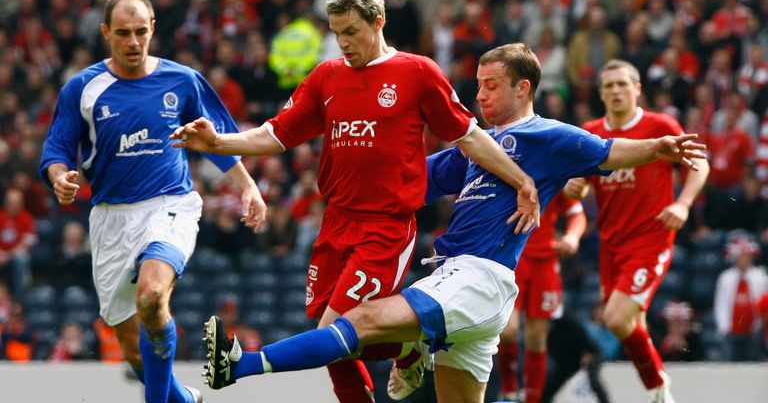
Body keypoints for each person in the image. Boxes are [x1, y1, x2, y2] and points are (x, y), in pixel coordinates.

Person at [188, 43, 706, 403]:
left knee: (360, 322)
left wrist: (656, 148)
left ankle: (240, 363)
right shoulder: (472, 149)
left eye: (491, 86)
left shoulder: (547, 136)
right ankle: (416, 350)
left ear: (523, 88)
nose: (479, 95)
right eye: (477, 85)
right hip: (462, 285)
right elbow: (409, 183)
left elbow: (608, 151)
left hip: (477, 277)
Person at [171, 0, 539, 402]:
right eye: (336, 33)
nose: (343, 43)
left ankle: (244, 363)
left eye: (351, 32)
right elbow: (274, 135)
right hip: (335, 223)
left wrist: (521, 180)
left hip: (384, 228)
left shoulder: (417, 72)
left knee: (332, 332)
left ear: (377, 21)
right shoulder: (327, 76)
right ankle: (408, 346)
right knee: (336, 351)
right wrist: (217, 141)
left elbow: (470, 137)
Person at [38, 0, 265, 403]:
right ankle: (184, 400)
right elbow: (56, 150)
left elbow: (219, 139)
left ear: (153, 29)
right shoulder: (83, 88)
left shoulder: (182, 80)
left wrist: (248, 186)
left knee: (151, 295)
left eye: (141, 31)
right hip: (109, 219)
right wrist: (59, 177)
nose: (133, 41)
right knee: (132, 348)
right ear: (106, 32)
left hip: (169, 206)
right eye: (122, 33)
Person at [564, 59, 710, 403]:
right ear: (600, 93)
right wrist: (576, 187)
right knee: (631, 325)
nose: (615, 91)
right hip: (610, 243)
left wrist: (683, 203)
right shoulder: (590, 131)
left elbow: (699, 163)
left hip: (651, 237)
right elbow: (581, 184)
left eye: (622, 84)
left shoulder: (659, 125)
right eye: (608, 85)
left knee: (615, 318)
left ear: (637, 89)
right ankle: (659, 390)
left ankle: (656, 384)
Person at [496, 192, 587, 403]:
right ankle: (508, 392)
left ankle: (532, 399)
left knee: (537, 337)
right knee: (508, 330)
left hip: (545, 261)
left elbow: (577, 214)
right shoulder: (510, 167)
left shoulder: (557, 171)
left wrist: (572, 237)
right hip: (514, 256)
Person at [713, 233, 768, 361]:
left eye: (746, 256)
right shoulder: (725, 277)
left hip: (754, 331)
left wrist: (760, 326)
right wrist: (723, 327)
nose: (743, 260)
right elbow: (720, 304)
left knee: (753, 365)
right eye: (740, 257)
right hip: (730, 331)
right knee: (729, 365)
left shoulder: (761, 277)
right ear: (734, 258)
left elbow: (764, 302)